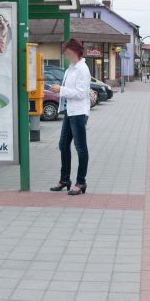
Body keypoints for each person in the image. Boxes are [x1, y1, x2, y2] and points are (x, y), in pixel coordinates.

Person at [49, 39, 91, 196]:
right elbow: (68, 90)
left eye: (68, 53)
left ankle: (81, 182)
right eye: (66, 53)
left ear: (76, 52)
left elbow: (81, 93)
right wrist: (60, 90)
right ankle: (65, 179)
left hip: (79, 113)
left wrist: (61, 89)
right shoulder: (70, 69)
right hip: (69, 111)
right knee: (63, 145)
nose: (66, 56)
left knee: (80, 148)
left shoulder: (82, 69)